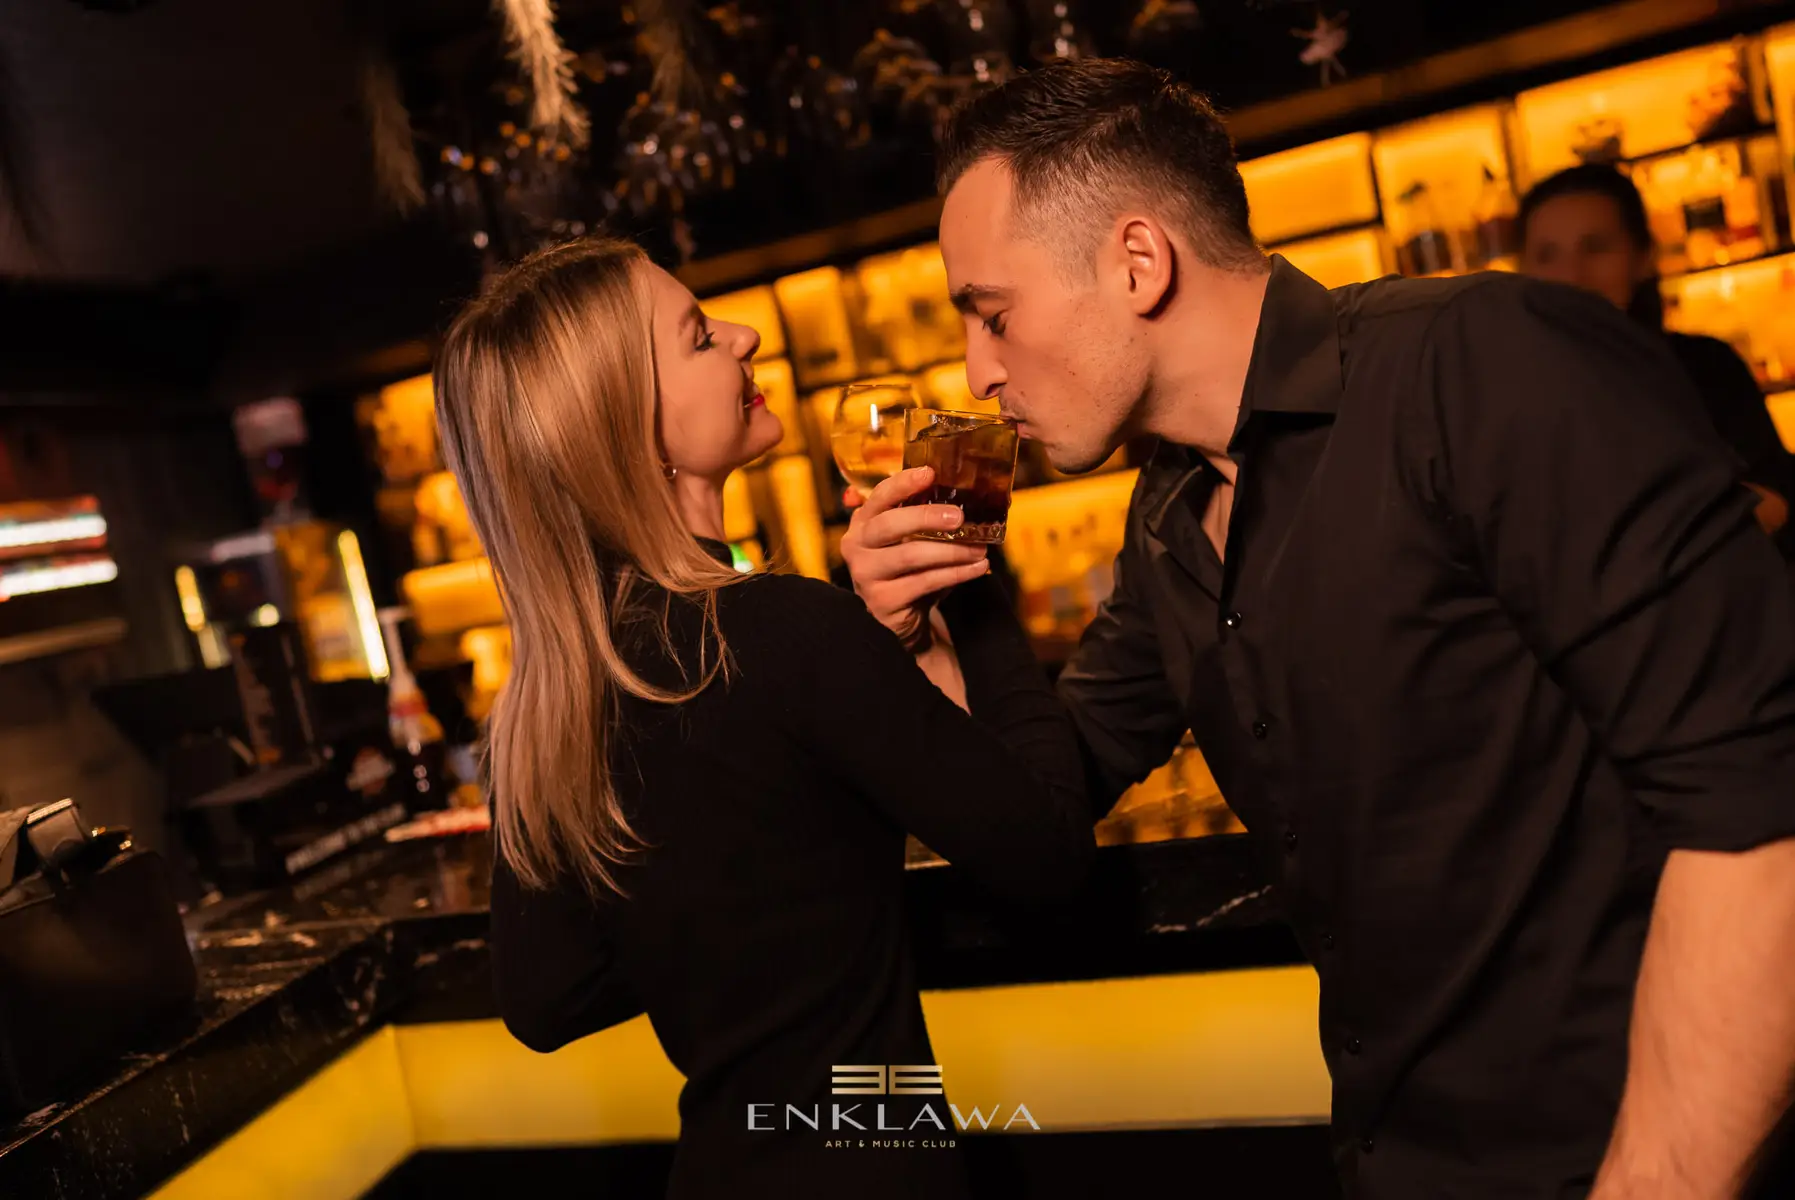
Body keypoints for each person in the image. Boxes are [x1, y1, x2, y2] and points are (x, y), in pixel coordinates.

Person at [842, 59, 1795, 1199]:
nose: (977, 373)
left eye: (993, 316)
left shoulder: (1474, 362)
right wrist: (929, 632)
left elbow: (1761, 814)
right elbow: (1038, 813)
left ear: (1137, 261)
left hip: (1619, 1148)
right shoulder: (1166, 518)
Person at [434, 237, 1092, 1199]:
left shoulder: (548, 705)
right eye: (699, 337)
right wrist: (967, 572)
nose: (742, 336)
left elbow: (547, 1000)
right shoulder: (788, 629)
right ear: (632, 426)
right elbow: (1051, 859)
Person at [1519, 162, 1795, 550]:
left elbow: (1774, 494)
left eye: (1595, 247)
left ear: (1643, 256)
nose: (1572, 276)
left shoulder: (1704, 366)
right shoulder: (1508, 398)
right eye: (1548, 254)